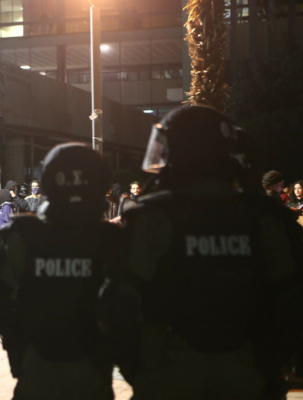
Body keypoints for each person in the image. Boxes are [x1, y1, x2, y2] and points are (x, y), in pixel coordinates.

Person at [121, 106, 303, 400]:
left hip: (169, 370)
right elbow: (291, 300)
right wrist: (273, 368)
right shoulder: (265, 217)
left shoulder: (154, 215)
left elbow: (120, 303)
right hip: (249, 370)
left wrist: (140, 369)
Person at [0, 143, 122, 400]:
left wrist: (17, 346)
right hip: (92, 365)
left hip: (37, 362)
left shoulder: (22, 235)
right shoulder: (113, 239)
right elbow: (133, 307)